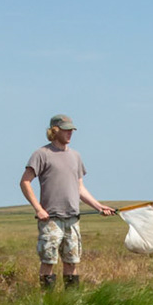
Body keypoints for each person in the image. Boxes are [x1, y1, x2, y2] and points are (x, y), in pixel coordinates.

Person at [20, 114, 115, 289]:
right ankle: (47, 302)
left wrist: (99, 206)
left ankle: (71, 304)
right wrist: (38, 209)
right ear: (54, 131)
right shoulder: (41, 154)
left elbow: (80, 188)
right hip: (50, 220)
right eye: (66, 130)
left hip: (73, 219)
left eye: (71, 130)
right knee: (48, 261)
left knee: (72, 262)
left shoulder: (76, 156)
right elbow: (25, 182)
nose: (70, 133)